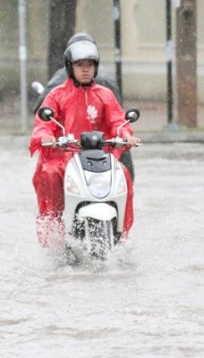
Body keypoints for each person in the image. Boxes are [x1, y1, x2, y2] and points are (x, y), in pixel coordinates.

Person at [29, 33, 140, 246]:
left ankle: (121, 234)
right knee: (49, 174)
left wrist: (126, 135)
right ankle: (54, 231)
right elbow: (43, 123)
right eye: (80, 65)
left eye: (90, 64)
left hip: (100, 156)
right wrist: (46, 136)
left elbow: (118, 120)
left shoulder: (106, 94)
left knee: (124, 174)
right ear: (70, 67)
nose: (86, 69)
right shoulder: (57, 95)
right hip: (65, 156)